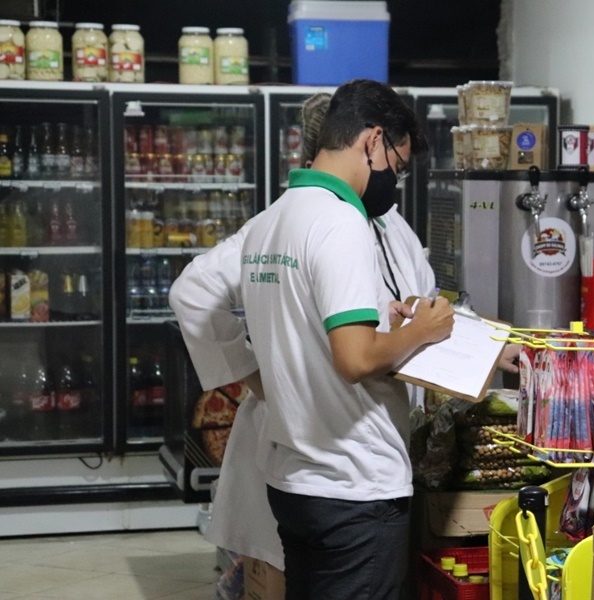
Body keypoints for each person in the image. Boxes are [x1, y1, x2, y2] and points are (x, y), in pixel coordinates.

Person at [173, 80, 455, 599]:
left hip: (296, 480)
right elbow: (354, 358)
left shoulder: (276, 219)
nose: (396, 177)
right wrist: (422, 330)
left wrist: (265, 379)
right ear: (373, 141)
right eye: (399, 162)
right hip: (353, 479)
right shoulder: (340, 221)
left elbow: (304, 321)